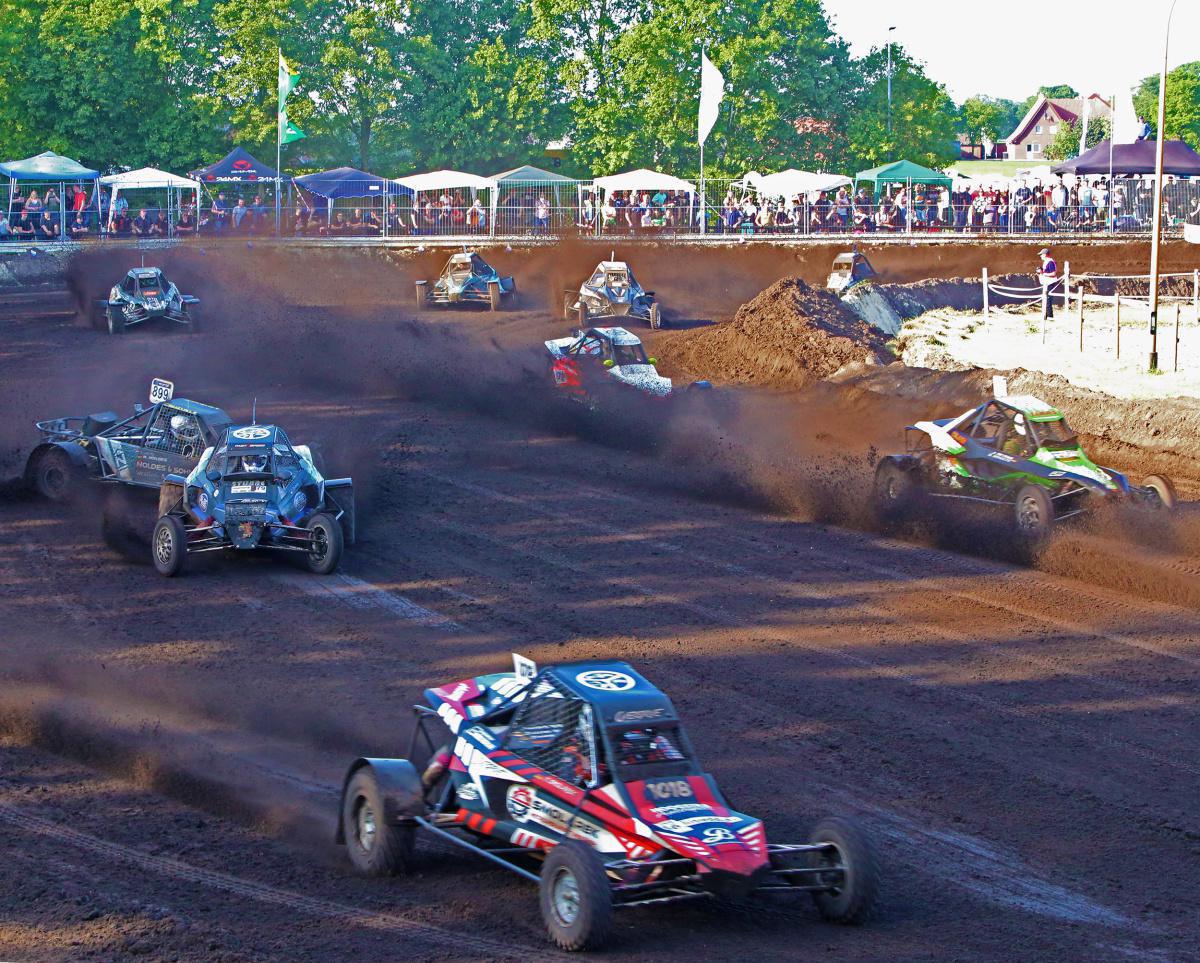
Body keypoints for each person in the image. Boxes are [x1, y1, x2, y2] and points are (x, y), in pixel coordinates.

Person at [1038, 248, 1058, 320]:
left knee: (1048, 299)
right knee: (1046, 299)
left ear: (1045, 255)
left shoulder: (1050, 262)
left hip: (1050, 282)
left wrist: (1043, 273)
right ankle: (1046, 315)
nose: (1040, 256)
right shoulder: (1047, 261)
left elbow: (1053, 273)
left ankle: (1050, 316)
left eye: (1041, 254)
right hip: (1047, 282)